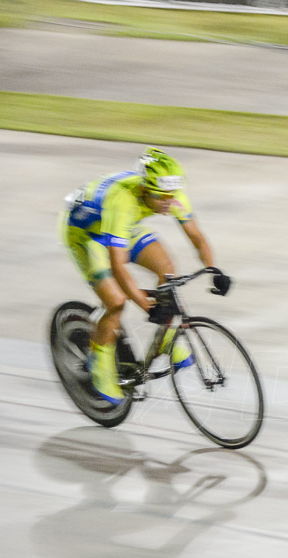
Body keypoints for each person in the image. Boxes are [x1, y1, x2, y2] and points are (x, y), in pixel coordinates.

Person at [59, 147, 232, 405]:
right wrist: (144, 304)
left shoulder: (170, 195)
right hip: (85, 234)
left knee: (167, 268)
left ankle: (164, 339)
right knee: (116, 302)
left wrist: (213, 269)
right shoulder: (122, 201)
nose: (168, 202)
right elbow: (118, 266)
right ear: (144, 190)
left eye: (171, 195)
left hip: (120, 227)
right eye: (161, 197)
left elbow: (197, 237)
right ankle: (99, 365)